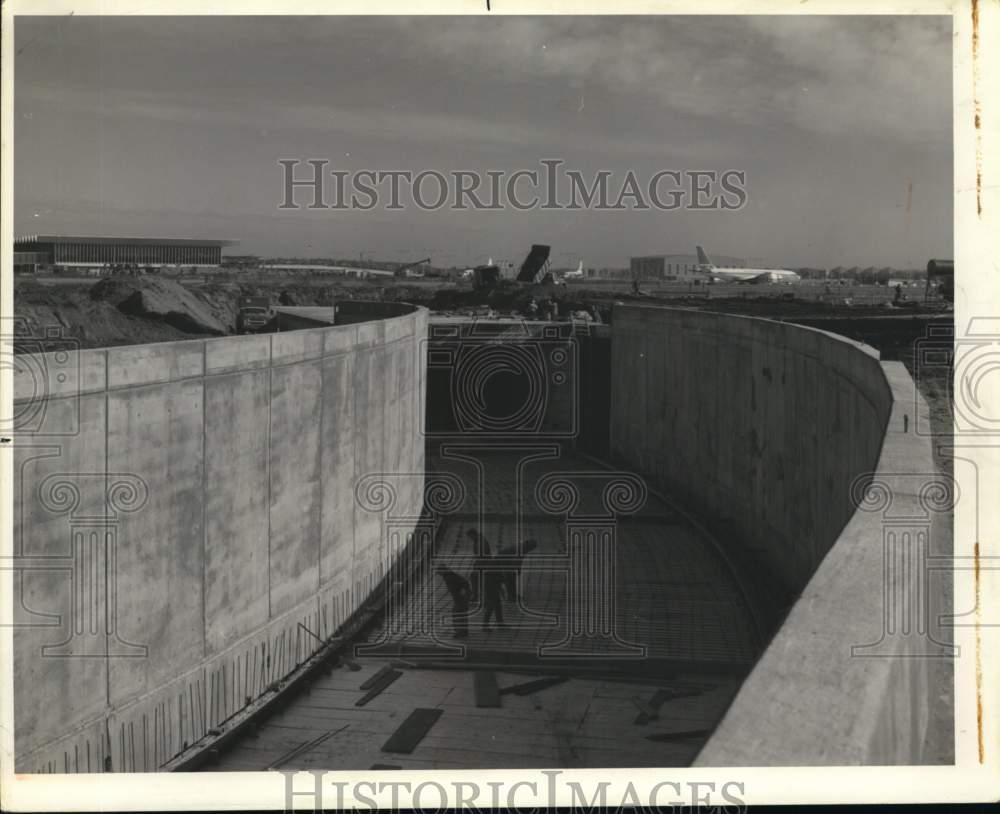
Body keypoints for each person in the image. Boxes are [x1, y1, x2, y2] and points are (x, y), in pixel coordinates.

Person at [495, 539, 538, 603]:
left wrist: (517, 569)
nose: (531, 550)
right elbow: (516, 561)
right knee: (508, 579)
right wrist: (514, 570)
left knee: (511, 579)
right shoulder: (521, 548)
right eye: (531, 548)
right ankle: (510, 596)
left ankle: (513, 595)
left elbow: (518, 561)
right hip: (502, 561)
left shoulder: (523, 547)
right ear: (529, 545)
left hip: (505, 561)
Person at [436, 566, 471, 639]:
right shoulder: (450, 575)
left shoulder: (449, 577)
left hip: (460, 599)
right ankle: (464, 631)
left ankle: (460, 632)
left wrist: (463, 595)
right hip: (462, 597)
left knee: (457, 615)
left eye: (440, 573)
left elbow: (458, 588)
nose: (439, 575)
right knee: (461, 614)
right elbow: (464, 583)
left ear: (443, 571)